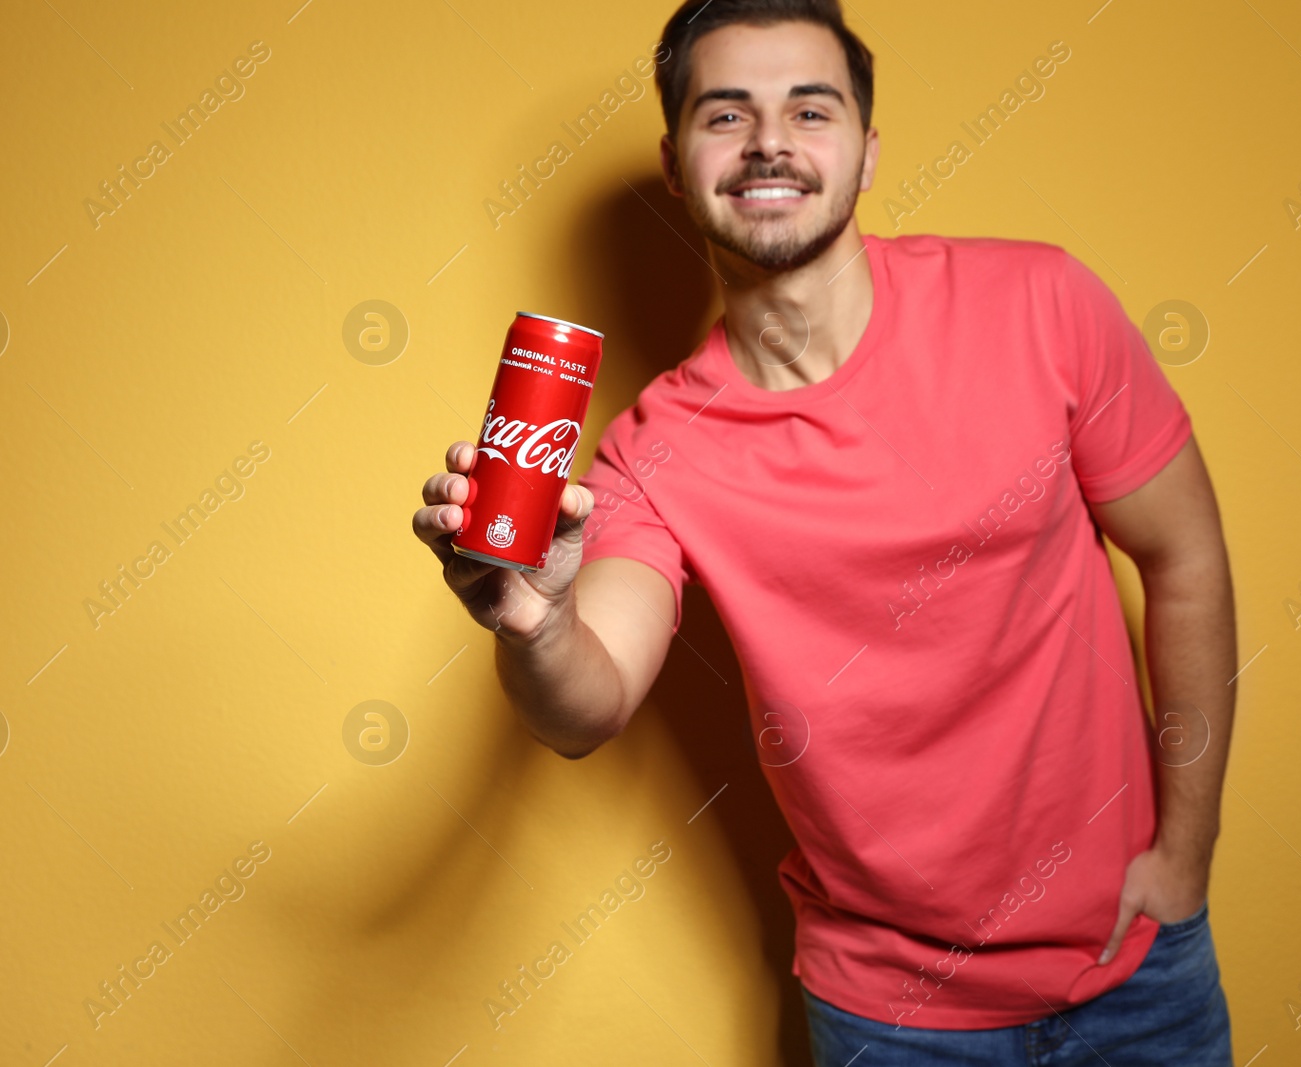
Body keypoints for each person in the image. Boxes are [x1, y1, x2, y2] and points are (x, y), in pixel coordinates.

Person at [413, 0, 1237, 1061]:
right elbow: (588, 701)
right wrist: (535, 622)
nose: (769, 142)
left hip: (1140, 969)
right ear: (675, 163)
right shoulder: (651, 450)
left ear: (865, 149)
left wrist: (1186, 848)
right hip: (889, 1016)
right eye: (726, 114)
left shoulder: (1042, 303)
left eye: (810, 109)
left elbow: (1184, 554)